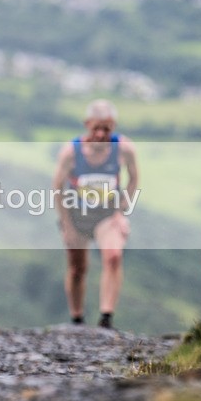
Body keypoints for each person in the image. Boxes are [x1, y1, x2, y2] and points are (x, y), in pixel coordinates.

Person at [51, 99, 139, 329]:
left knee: (113, 256)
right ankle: (77, 318)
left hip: (107, 215)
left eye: (107, 129)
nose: (101, 134)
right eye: (96, 128)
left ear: (114, 126)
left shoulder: (124, 148)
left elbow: (134, 178)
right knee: (77, 268)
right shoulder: (71, 152)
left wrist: (121, 212)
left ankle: (106, 318)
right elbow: (57, 188)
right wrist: (66, 226)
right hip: (76, 216)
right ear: (87, 124)